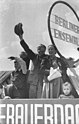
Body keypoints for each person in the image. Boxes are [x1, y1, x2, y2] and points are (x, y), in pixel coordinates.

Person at [14, 23, 47, 98]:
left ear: (44, 50)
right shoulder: (34, 56)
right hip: (33, 82)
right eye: (39, 49)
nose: (40, 50)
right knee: (32, 100)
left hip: (42, 82)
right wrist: (21, 38)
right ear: (37, 50)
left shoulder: (47, 58)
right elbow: (26, 48)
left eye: (42, 49)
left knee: (40, 100)